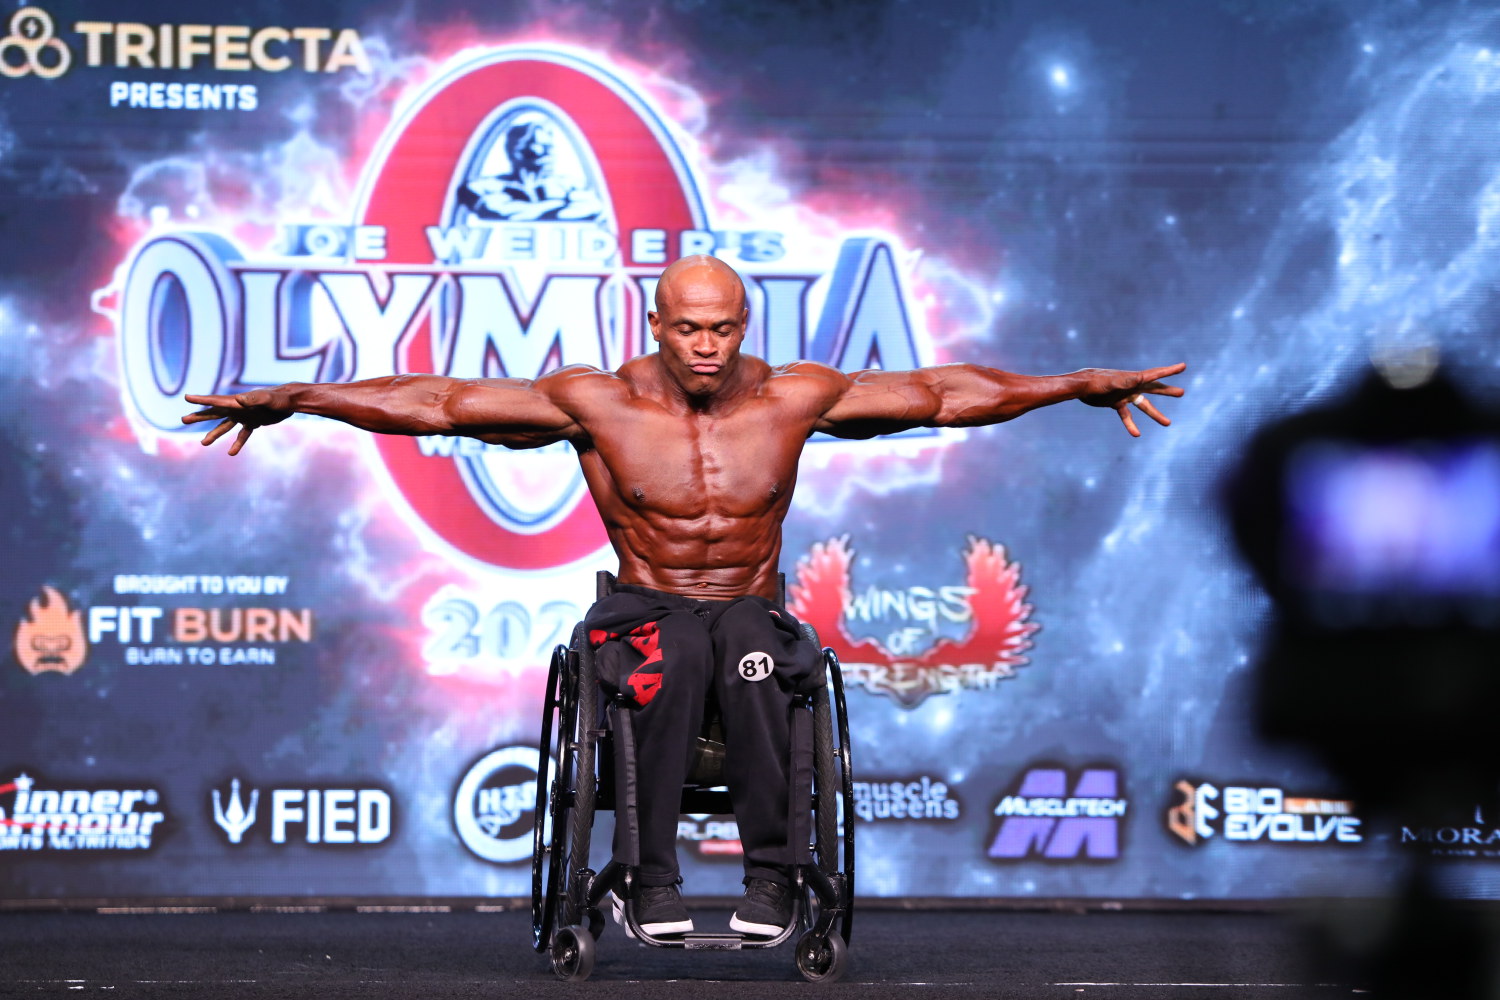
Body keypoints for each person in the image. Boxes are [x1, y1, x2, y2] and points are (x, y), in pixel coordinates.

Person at [183, 254, 1185, 939]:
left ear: (744, 327)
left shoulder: (792, 398)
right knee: (686, 644)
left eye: (723, 328)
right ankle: (647, 877)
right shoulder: (599, 402)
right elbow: (438, 403)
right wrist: (300, 399)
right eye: (689, 327)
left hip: (750, 610)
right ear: (656, 325)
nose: (706, 344)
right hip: (641, 612)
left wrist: (1075, 383)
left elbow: (944, 394)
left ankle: (771, 877)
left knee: (742, 642)